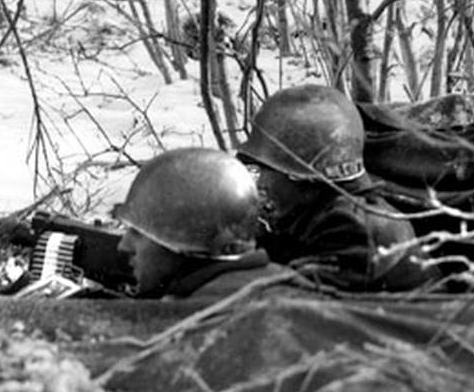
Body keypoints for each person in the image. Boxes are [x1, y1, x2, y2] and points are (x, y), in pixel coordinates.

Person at [236, 84, 440, 291]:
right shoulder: (329, 208)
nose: (261, 183)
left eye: (268, 170)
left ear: (303, 176)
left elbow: (291, 301)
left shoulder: (353, 227)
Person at [115, 147, 278, 299]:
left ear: (186, 240)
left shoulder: (204, 314)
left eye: (138, 233)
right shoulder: (267, 286)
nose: (123, 245)